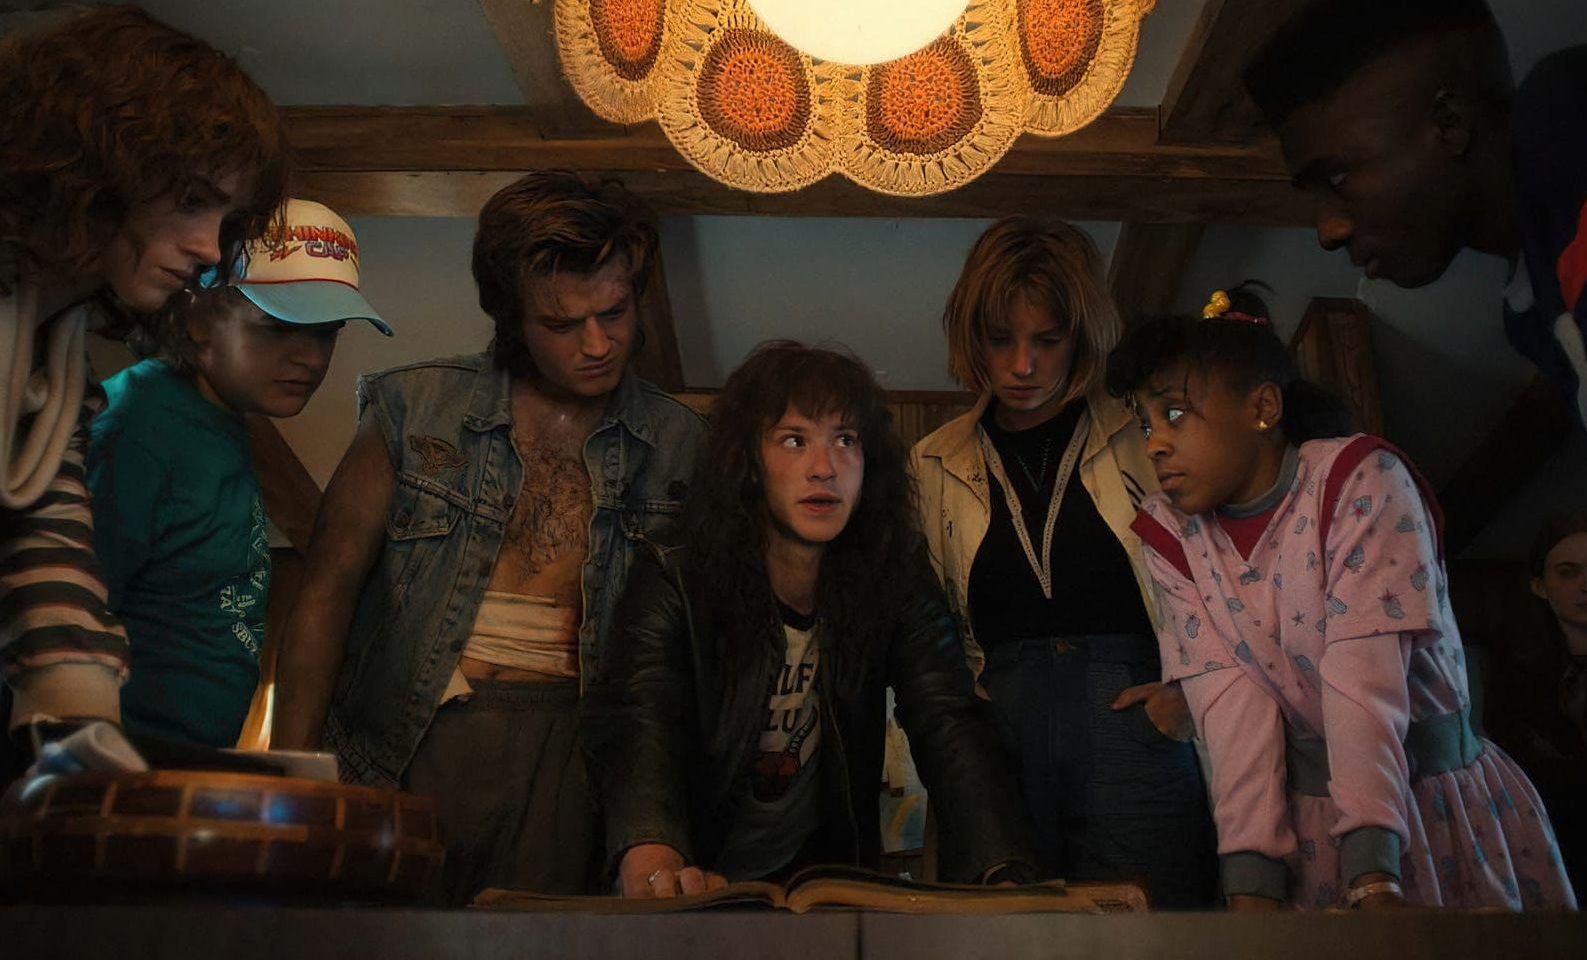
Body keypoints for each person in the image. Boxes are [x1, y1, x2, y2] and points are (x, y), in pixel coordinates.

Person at [270, 171, 706, 903]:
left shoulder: (681, 443)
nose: (598, 343)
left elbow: (679, 664)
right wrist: (292, 781)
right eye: (562, 325)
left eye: (615, 312)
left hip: (578, 766)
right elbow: (326, 593)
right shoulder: (413, 408)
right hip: (407, 748)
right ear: (511, 319)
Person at [1107, 285, 1577, 910]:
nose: (1153, 443)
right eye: (1144, 422)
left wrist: (1374, 873)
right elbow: (1229, 705)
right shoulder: (1173, 534)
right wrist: (1250, 879)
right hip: (1311, 827)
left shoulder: (1360, 481)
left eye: (1173, 414)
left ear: (1263, 407)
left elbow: (1364, 681)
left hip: (1425, 806)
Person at [584, 341, 1036, 898]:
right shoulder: (674, 572)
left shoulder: (891, 569)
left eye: (845, 440)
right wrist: (652, 850)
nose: (824, 469)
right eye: (794, 441)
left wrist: (1000, 870)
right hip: (705, 870)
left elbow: (948, 716)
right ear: (750, 461)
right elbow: (641, 714)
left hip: (824, 879)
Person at [0, 6, 286, 774]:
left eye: (224, 218)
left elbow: (48, 557)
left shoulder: (56, 362)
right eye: (191, 199)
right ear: (94, 168)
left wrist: (88, 746)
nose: (209, 248)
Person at [910, 217, 1217, 908]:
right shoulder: (932, 460)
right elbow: (924, 629)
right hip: (999, 734)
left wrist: (1189, 696)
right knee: (1006, 936)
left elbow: (1225, 579)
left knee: (1149, 933)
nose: (1023, 365)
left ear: (1081, 336)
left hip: (1134, 720)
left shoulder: (1142, 435)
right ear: (971, 337)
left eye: (1047, 341)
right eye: (1001, 339)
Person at [87, 200, 390, 749]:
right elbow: (66, 617)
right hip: (118, 764)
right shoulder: (137, 427)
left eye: (327, 333)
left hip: (188, 763)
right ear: (197, 320)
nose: (311, 358)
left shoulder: (224, 419)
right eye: (279, 327)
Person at [1246, 0, 1587, 429]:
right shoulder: (1527, 312)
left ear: (1449, 123)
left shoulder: (1564, 116)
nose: (1327, 231)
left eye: (1337, 176)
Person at [1487, 514, 1587, 893]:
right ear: (1540, 586)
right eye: (1568, 573)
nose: (1585, 585)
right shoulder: (1519, 672)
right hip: (1551, 832)